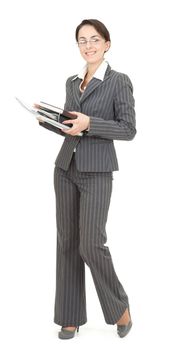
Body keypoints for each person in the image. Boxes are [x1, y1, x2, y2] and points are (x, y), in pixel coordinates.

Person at [37, 19, 136, 340]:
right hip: (65, 168)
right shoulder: (72, 82)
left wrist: (90, 123)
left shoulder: (118, 81)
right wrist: (49, 119)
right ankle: (69, 316)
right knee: (66, 242)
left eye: (95, 39)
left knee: (91, 244)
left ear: (107, 44)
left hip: (96, 170)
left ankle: (119, 306)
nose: (88, 45)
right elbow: (71, 124)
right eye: (82, 40)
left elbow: (127, 128)